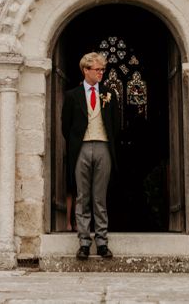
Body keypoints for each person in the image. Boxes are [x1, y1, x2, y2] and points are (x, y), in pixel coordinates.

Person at [61, 52, 120, 259]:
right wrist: (78, 142)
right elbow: (65, 127)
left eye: (102, 70)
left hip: (103, 147)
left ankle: (102, 242)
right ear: (86, 70)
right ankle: (84, 242)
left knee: (100, 197)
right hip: (82, 148)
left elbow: (116, 124)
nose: (101, 73)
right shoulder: (72, 95)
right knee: (82, 197)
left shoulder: (109, 94)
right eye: (97, 70)